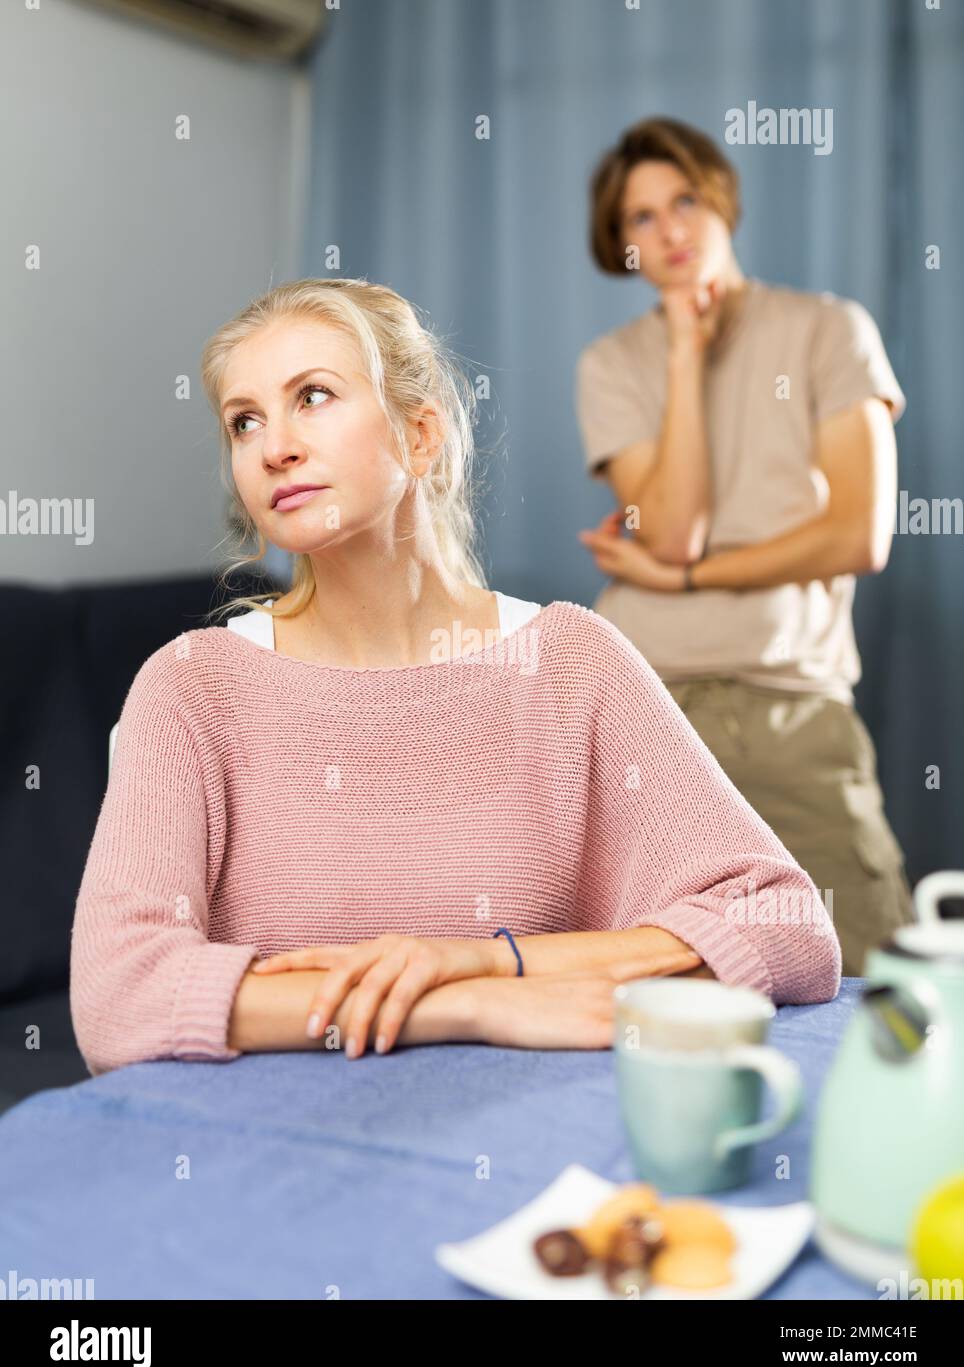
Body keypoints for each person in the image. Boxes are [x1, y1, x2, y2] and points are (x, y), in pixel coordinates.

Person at [70, 277, 840, 1078]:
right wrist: (463, 1004)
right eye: (244, 421)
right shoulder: (190, 687)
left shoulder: (572, 662)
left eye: (315, 396)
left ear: (420, 435)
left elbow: (788, 924)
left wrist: (491, 961)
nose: (274, 448)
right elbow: (117, 995)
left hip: (525, 1144)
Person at [575, 116, 912, 977]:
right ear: (619, 248)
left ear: (720, 199)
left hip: (789, 708)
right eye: (639, 219)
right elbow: (675, 522)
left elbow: (856, 535)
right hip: (646, 708)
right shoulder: (612, 363)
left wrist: (685, 578)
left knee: (870, 968)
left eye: (682, 200)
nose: (669, 230)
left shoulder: (828, 329)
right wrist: (685, 354)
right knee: (650, 981)